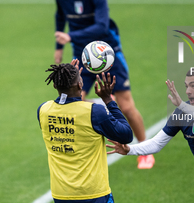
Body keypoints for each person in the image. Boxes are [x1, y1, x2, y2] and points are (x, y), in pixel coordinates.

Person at [53, 0, 154, 169]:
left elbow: (101, 25)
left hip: (108, 55)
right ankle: (102, 108)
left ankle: (144, 150)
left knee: (126, 106)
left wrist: (70, 37)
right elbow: (60, 17)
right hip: (81, 56)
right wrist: (59, 47)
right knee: (73, 103)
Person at [107, 67, 194, 203]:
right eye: (186, 86)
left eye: (193, 86)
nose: (188, 91)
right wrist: (130, 150)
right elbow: (157, 143)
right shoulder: (181, 114)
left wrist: (183, 106)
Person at [37, 59, 133, 202]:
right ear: (80, 84)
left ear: (55, 84)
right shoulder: (94, 112)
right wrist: (108, 100)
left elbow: (68, 115)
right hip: (93, 194)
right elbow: (126, 135)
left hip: (61, 194)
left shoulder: (43, 110)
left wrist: (70, 77)